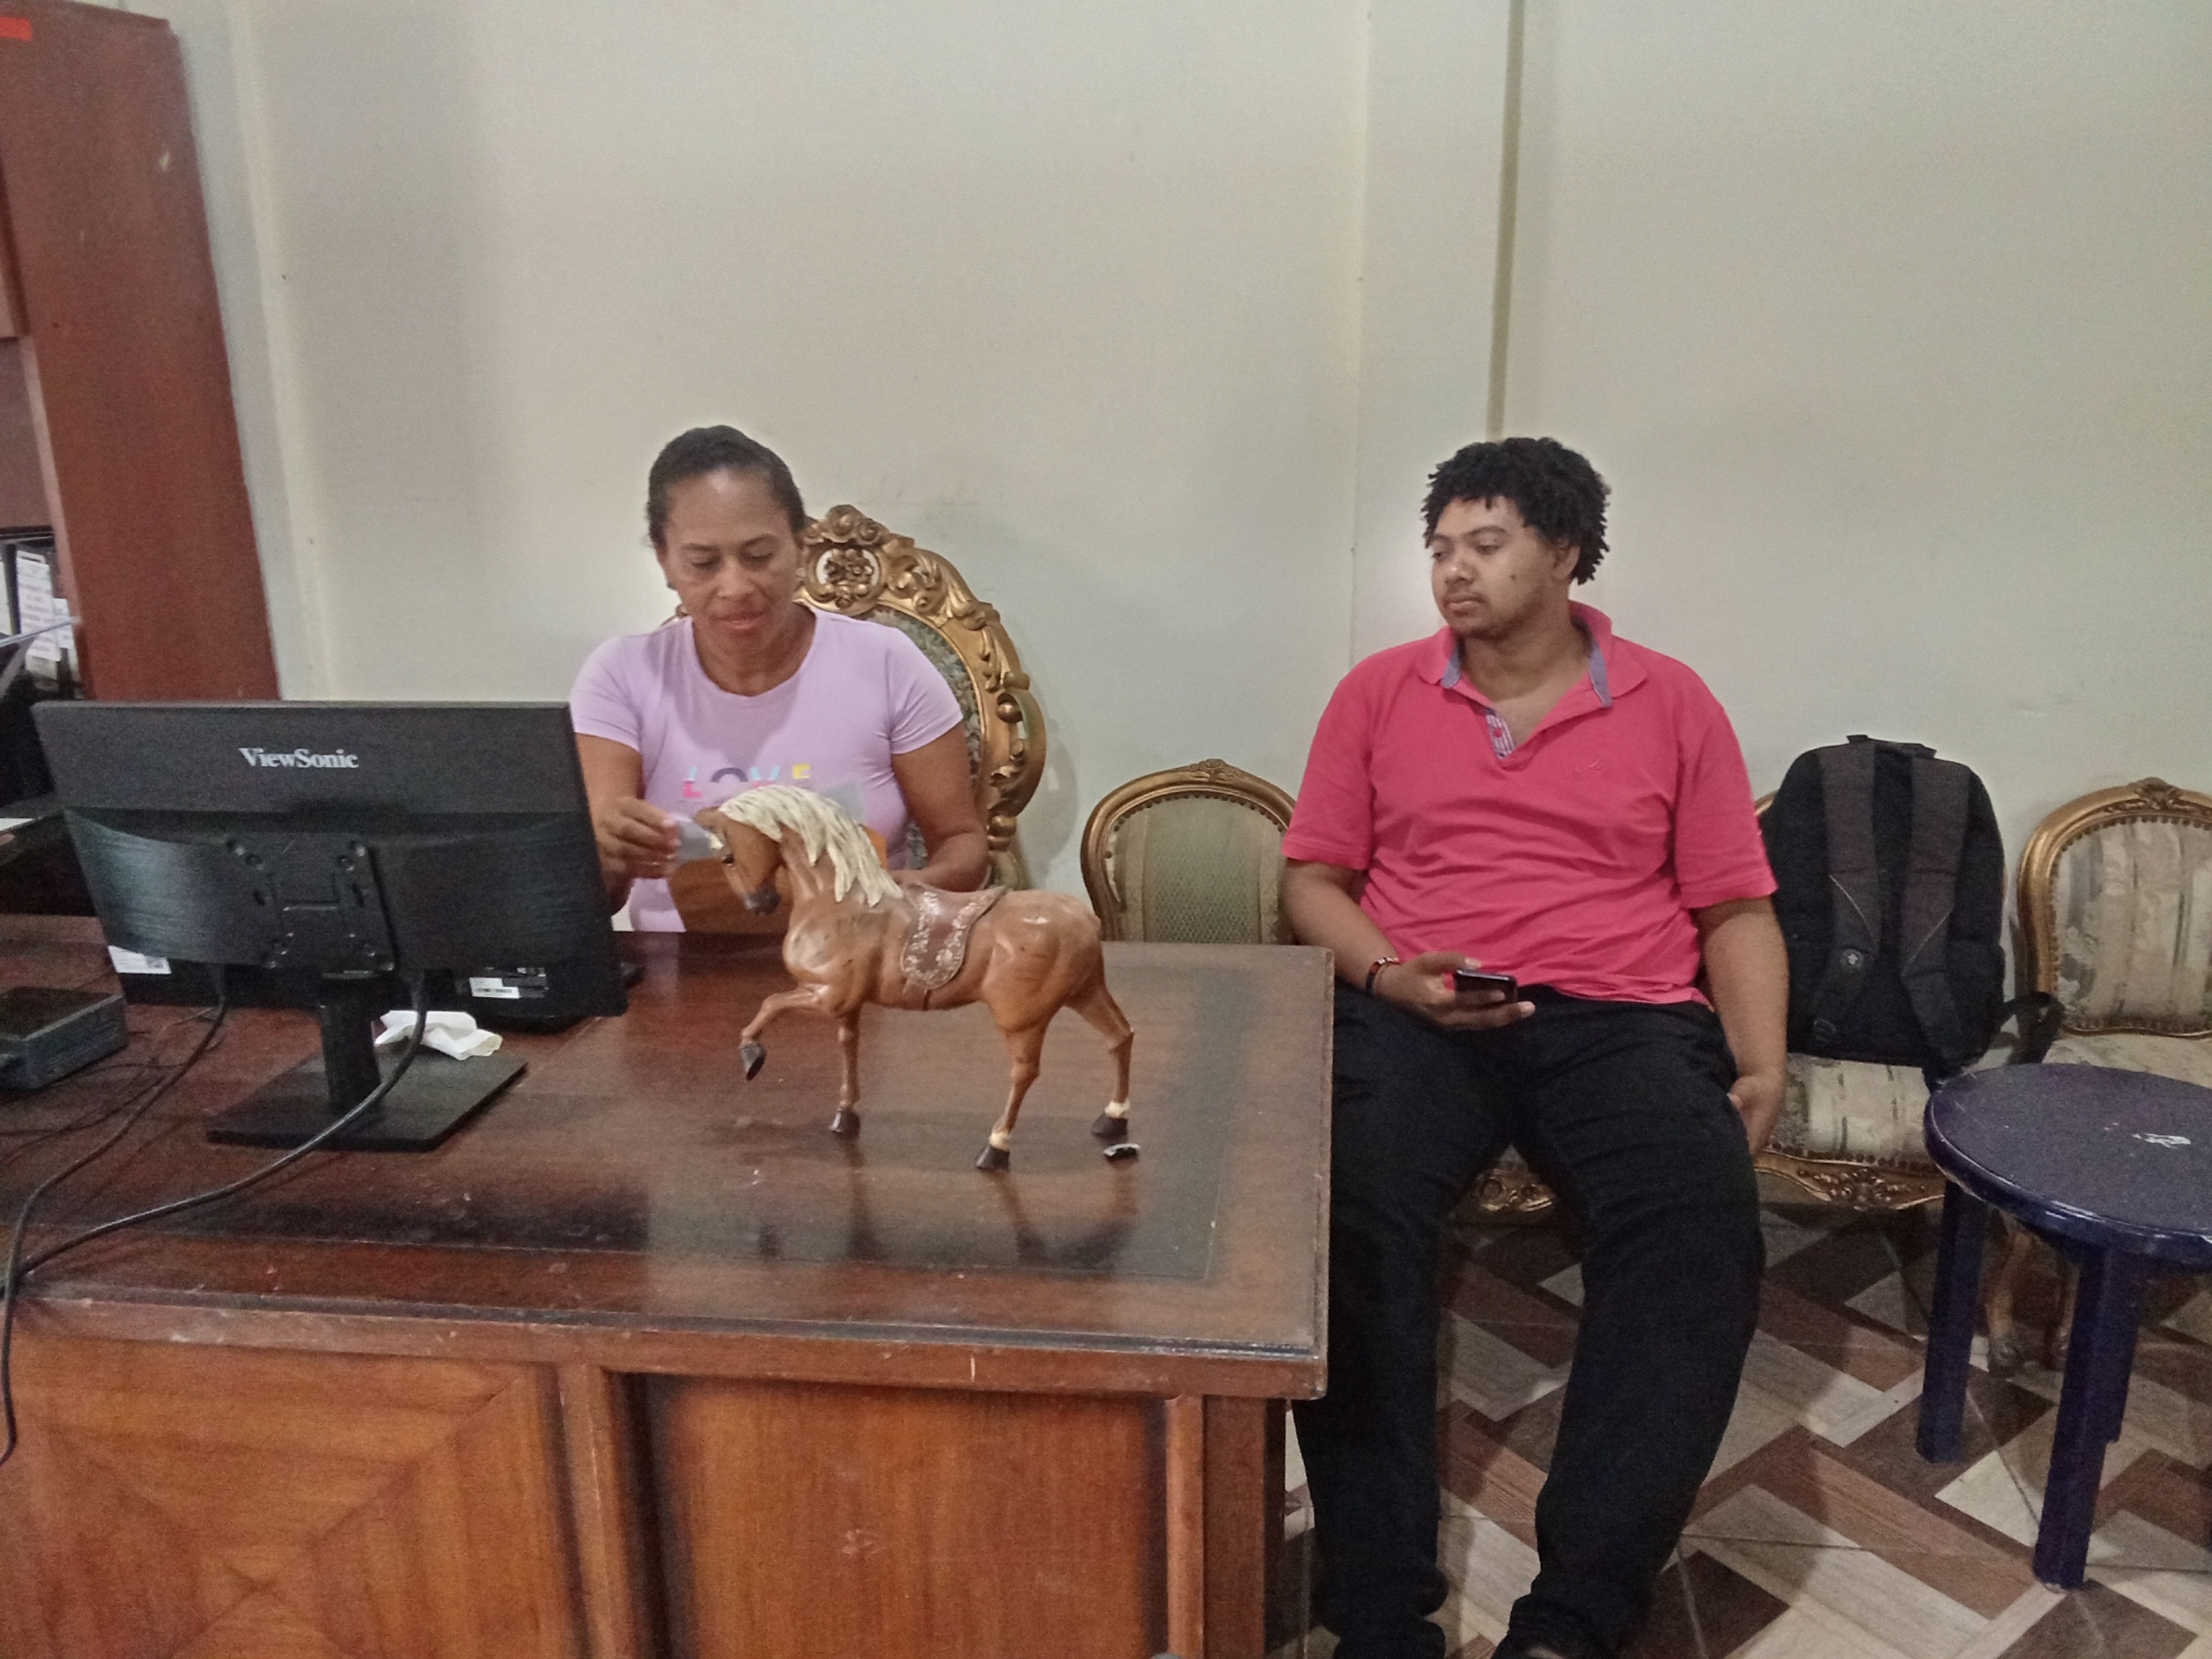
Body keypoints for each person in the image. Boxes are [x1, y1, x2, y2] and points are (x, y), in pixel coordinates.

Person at [1279, 436, 1786, 1659]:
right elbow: (1312, 881)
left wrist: (1761, 1063)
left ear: (1563, 552)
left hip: (1620, 1019)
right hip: (1422, 1008)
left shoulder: (1671, 701)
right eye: (1440, 548)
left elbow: (1734, 905)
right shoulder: (1377, 693)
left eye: (1486, 543)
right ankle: (1376, 1608)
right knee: (1343, 1219)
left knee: (1697, 1229)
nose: (1453, 569)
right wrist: (1386, 975)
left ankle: (1576, 1614)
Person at [571, 426, 989, 927]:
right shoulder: (623, 676)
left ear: (800, 545)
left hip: (861, 954)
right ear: (665, 560)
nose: (735, 586)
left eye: (759, 556)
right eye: (703, 562)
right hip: (677, 966)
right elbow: (595, 896)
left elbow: (962, 844)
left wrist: (891, 898)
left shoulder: (886, 663)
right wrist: (608, 852)